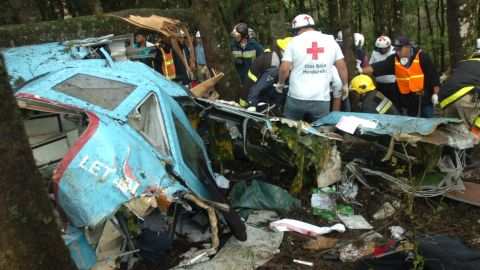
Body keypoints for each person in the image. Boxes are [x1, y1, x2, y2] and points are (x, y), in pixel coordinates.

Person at [276, 14, 349, 123]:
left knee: (289, 130)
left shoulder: (294, 42)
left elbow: (284, 69)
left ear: (296, 29)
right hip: (321, 99)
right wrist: (345, 84)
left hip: (296, 97)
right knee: (320, 133)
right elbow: (341, 66)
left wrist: (280, 84)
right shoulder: (330, 40)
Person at [360, 36, 440, 118]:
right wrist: (360, 70)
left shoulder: (422, 57)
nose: (397, 52)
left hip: (424, 98)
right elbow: (378, 67)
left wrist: (435, 94)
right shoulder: (393, 60)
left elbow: (433, 77)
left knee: (427, 120)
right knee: (411, 122)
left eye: (400, 50)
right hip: (409, 101)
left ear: (408, 47)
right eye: (396, 50)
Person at [438, 39, 480, 136]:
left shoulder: (465, 63)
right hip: (465, 98)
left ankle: (450, 150)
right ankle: (473, 140)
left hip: (446, 100)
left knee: (454, 134)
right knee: (471, 135)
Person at [244, 37, 293, 112]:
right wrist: (252, 104)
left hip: (259, 92)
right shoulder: (273, 66)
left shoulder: (276, 58)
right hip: (255, 95)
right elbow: (259, 88)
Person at [369, 35, 399, 108]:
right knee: (382, 106)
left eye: (384, 49)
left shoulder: (394, 52)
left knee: (395, 105)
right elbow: (371, 65)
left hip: (393, 85)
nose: (382, 50)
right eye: (380, 49)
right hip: (380, 85)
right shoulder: (375, 53)